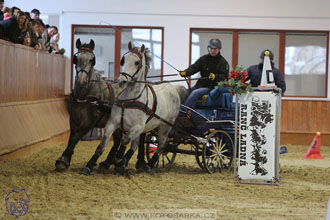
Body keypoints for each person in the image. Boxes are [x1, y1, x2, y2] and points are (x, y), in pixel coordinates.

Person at [179, 38, 229, 108]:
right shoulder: (204, 59)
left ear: (219, 49)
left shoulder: (223, 63)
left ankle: (183, 112)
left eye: (215, 49)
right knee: (184, 93)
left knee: (195, 93)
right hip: (200, 85)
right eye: (211, 48)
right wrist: (186, 72)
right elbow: (194, 67)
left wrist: (215, 76)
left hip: (211, 87)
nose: (212, 51)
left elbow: (225, 77)